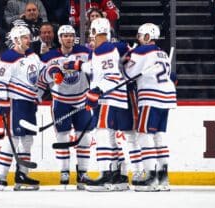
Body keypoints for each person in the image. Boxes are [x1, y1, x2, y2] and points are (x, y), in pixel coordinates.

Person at [64, 18, 129, 191]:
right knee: (110, 136)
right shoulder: (102, 50)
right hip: (114, 98)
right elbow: (96, 70)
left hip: (109, 98)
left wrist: (97, 90)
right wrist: (79, 65)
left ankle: (105, 176)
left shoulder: (104, 49)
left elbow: (112, 76)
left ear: (93, 32)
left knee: (103, 134)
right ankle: (117, 176)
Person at [38, 25, 93, 190]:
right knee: (62, 137)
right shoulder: (49, 57)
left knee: (84, 137)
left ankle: (82, 171)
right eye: (65, 36)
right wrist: (37, 96)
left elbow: (95, 70)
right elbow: (41, 79)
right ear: (60, 38)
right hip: (60, 102)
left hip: (82, 100)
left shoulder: (85, 53)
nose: (68, 38)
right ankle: (64, 171)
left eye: (71, 35)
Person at [124, 23, 177, 192]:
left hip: (151, 97)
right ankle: (163, 177)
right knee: (158, 136)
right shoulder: (162, 52)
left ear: (147, 36)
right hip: (167, 97)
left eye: (140, 36)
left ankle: (150, 175)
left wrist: (124, 61)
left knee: (143, 135)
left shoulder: (141, 51)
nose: (138, 39)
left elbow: (128, 75)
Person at [0, 25, 43, 191]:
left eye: (29, 36)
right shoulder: (8, 57)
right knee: (13, 139)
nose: (29, 39)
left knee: (27, 140)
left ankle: (22, 175)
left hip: (29, 104)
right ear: (16, 40)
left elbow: (41, 75)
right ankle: (2, 176)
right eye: (25, 37)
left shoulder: (32, 56)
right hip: (16, 103)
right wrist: (2, 102)